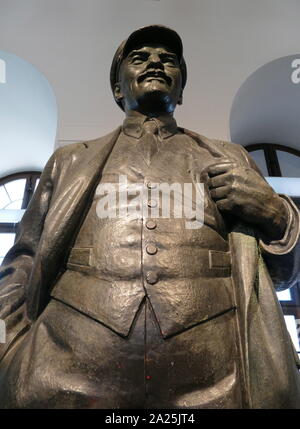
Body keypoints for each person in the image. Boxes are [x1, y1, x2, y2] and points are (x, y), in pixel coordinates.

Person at [0, 25, 299, 409]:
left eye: (168, 59)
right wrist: (6, 347)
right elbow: (23, 261)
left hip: (216, 375)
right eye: (139, 57)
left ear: (180, 89)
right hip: (68, 366)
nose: (156, 61)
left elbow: (284, 273)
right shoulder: (72, 160)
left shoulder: (229, 158)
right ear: (118, 89)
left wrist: (276, 214)